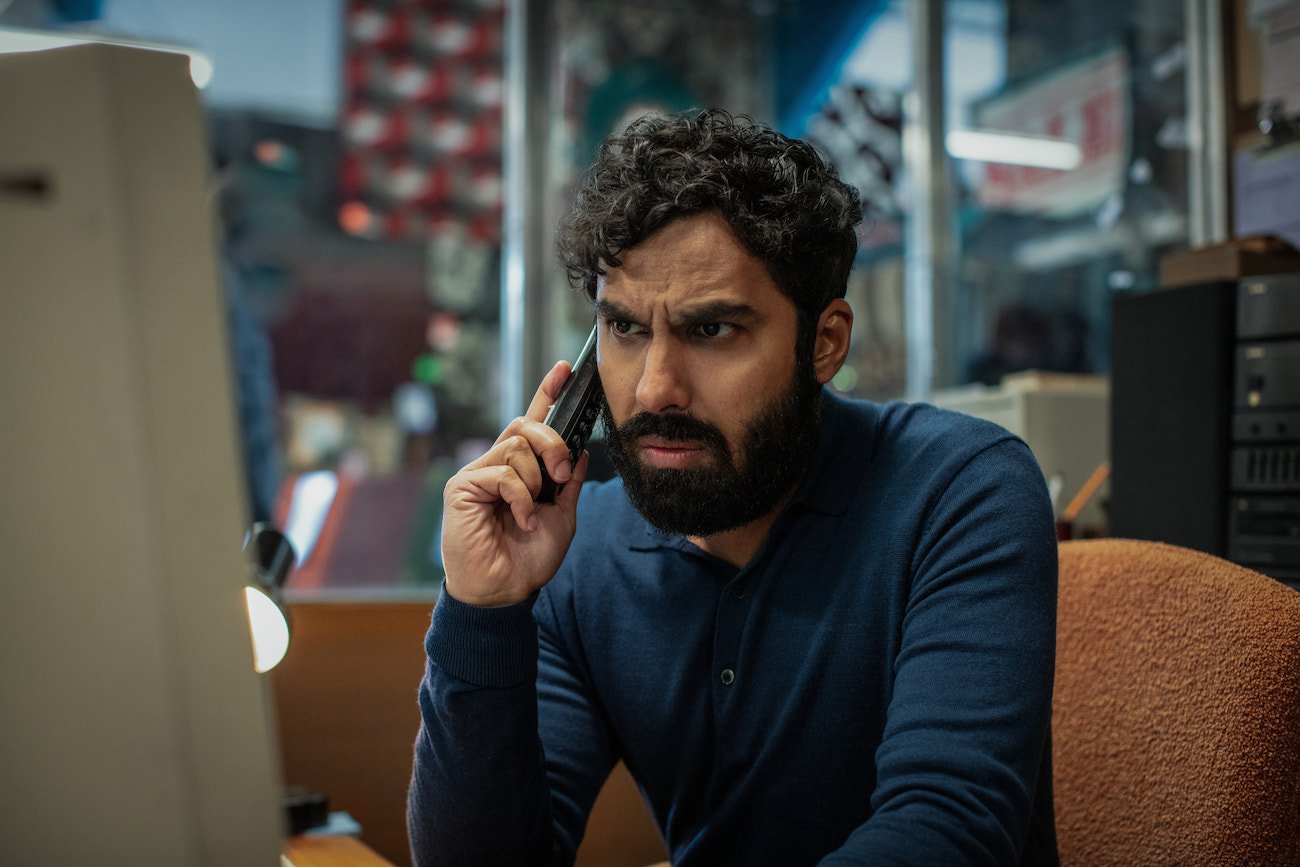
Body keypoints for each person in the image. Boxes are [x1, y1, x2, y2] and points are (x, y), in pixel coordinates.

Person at [408, 109, 1059, 866]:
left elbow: (946, 835)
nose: (655, 389)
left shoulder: (961, 491)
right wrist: (482, 610)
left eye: (712, 330)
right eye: (623, 329)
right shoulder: (580, 554)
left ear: (825, 342)